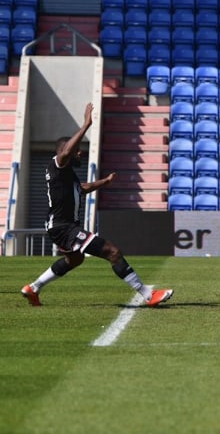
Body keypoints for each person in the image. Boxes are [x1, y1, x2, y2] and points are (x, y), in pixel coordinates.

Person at [20, 103, 173, 307]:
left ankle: (34, 288)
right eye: (76, 151)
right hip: (64, 227)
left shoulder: (65, 176)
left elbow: (82, 188)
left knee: (75, 260)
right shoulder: (57, 164)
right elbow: (65, 152)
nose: (79, 154)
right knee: (112, 251)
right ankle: (148, 295)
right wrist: (85, 125)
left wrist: (105, 182)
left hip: (59, 226)